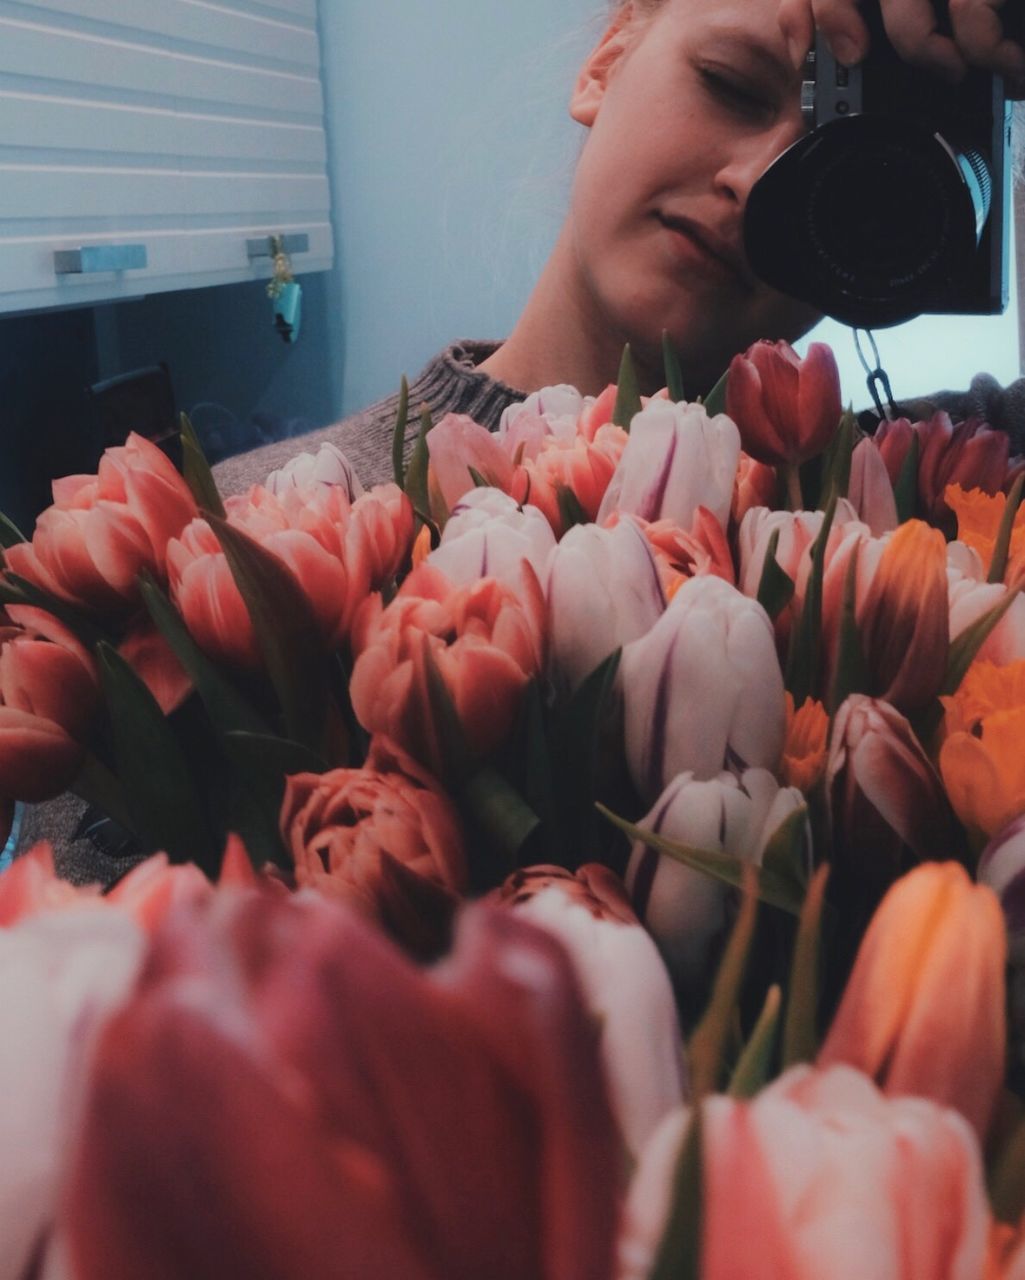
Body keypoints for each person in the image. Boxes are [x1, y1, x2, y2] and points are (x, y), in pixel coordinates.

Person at [17, 0, 1025, 882]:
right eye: (727, 85)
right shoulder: (229, 543)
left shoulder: (919, 504)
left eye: (840, 178)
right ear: (605, 60)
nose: (754, 181)